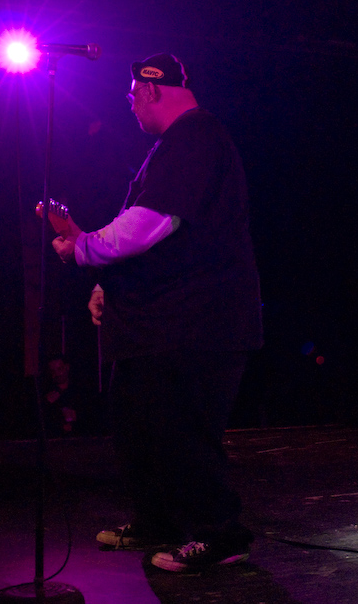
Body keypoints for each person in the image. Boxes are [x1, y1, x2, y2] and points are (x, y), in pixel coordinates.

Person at [52, 53, 263, 572]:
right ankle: (158, 521)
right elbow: (152, 239)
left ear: (149, 90)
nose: (130, 106)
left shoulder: (195, 137)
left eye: (131, 97)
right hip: (162, 325)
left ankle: (221, 534)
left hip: (198, 324)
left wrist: (84, 248)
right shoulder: (176, 144)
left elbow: (150, 224)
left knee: (186, 431)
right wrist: (107, 285)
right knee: (138, 425)